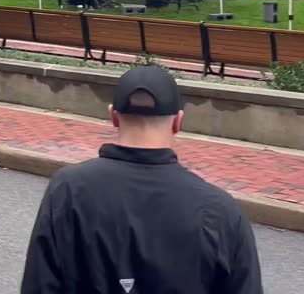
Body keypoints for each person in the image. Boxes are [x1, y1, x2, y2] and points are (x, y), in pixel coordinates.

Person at [21, 66, 262, 293]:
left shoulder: (67, 189)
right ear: (178, 121)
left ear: (113, 116)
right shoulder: (221, 210)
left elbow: (39, 284)